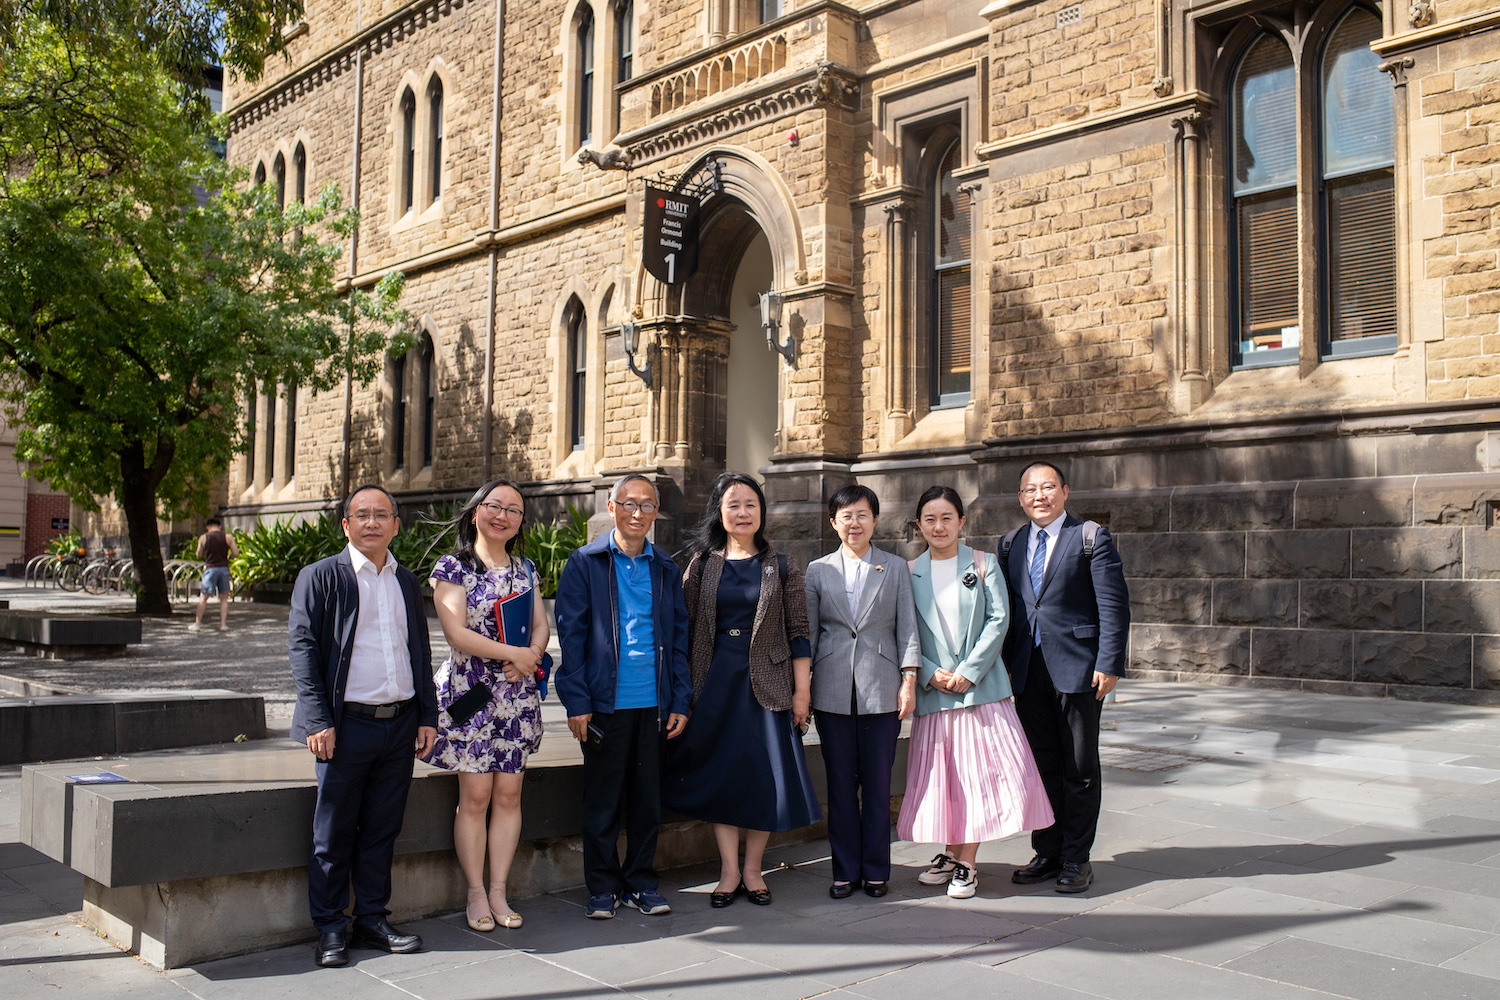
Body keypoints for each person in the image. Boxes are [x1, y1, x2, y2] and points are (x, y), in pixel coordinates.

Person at [288, 484, 438, 967]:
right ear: (346, 525)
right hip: (345, 727)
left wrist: (427, 716)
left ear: (396, 525)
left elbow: (419, 652)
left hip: (399, 725)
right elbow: (303, 651)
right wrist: (318, 719)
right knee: (333, 834)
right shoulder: (320, 577)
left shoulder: (405, 581)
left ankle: (372, 920)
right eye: (361, 515)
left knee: (381, 829)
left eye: (381, 515)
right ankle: (330, 927)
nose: (371, 522)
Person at [663, 473, 821, 908]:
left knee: (762, 777)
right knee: (723, 775)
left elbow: (799, 632)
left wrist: (802, 693)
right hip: (714, 682)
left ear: (762, 512)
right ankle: (729, 871)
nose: (743, 512)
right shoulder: (702, 564)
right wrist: (680, 692)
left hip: (766, 686)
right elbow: (683, 630)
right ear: (719, 512)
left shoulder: (782, 564)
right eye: (733, 504)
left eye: (751, 504)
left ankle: (753, 869)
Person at [896, 486, 1053, 899]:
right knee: (944, 779)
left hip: (979, 692)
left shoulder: (984, 564)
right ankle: (950, 853)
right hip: (935, 693)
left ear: (961, 522)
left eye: (947, 517)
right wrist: (928, 672)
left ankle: (967, 861)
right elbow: (904, 630)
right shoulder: (908, 572)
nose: (939, 526)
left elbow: (999, 620)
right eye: (930, 519)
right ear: (919, 525)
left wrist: (969, 671)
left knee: (975, 778)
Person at [553, 475, 692, 920]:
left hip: (654, 703)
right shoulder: (585, 563)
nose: (637, 512)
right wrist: (577, 701)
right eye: (629, 503)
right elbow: (571, 638)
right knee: (602, 802)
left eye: (647, 505)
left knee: (647, 802)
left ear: (656, 513)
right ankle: (602, 886)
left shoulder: (665, 566)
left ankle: (641, 882)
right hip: (603, 704)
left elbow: (678, 639)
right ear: (611, 507)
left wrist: (680, 699)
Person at [998, 461, 1129, 894]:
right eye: (1030, 490)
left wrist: (1109, 663)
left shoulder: (1089, 538)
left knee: (1080, 767)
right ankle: (1047, 851)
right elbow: (1010, 609)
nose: (1040, 496)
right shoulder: (1010, 544)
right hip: (1027, 669)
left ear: (1065, 492)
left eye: (1048, 487)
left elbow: (1113, 606)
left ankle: (1076, 858)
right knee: (1042, 765)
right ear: (1020, 498)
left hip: (1079, 670)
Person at [427, 480, 547, 932]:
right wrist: (515, 654)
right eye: (495, 506)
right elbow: (456, 633)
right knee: (475, 797)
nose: (503, 516)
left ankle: (499, 890)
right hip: (472, 697)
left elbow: (540, 625)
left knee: (509, 795)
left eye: (514, 510)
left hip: (516, 698)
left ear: (520, 522)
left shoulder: (525, 568)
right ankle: (475, 892)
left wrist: (531, 654)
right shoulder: (453, 567)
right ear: (476, 512)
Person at [805, 484, 920, 899]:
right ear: (833, 523)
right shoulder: (818, 570)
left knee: (876, 787)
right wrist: (803, 689)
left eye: (862, 515)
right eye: (846, 516)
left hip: (882, 688)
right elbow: (810, 635)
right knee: (839, 787)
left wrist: (909, 680)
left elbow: (907, 628)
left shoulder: (895, 567)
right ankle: (843, 871)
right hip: (831, 689)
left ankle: (875, 871)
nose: (854, 523)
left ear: (875, 520)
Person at [190, 518, 239, 632]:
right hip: (224, 569)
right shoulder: (228, 537)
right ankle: (223, 625)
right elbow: (235, 553)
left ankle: (197, 624)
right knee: (224, 598)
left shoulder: (204, 537)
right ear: (219, 526)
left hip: (210, 569)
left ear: (208, 527)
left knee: (203, 597)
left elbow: (199, 554)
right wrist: (229, 557)